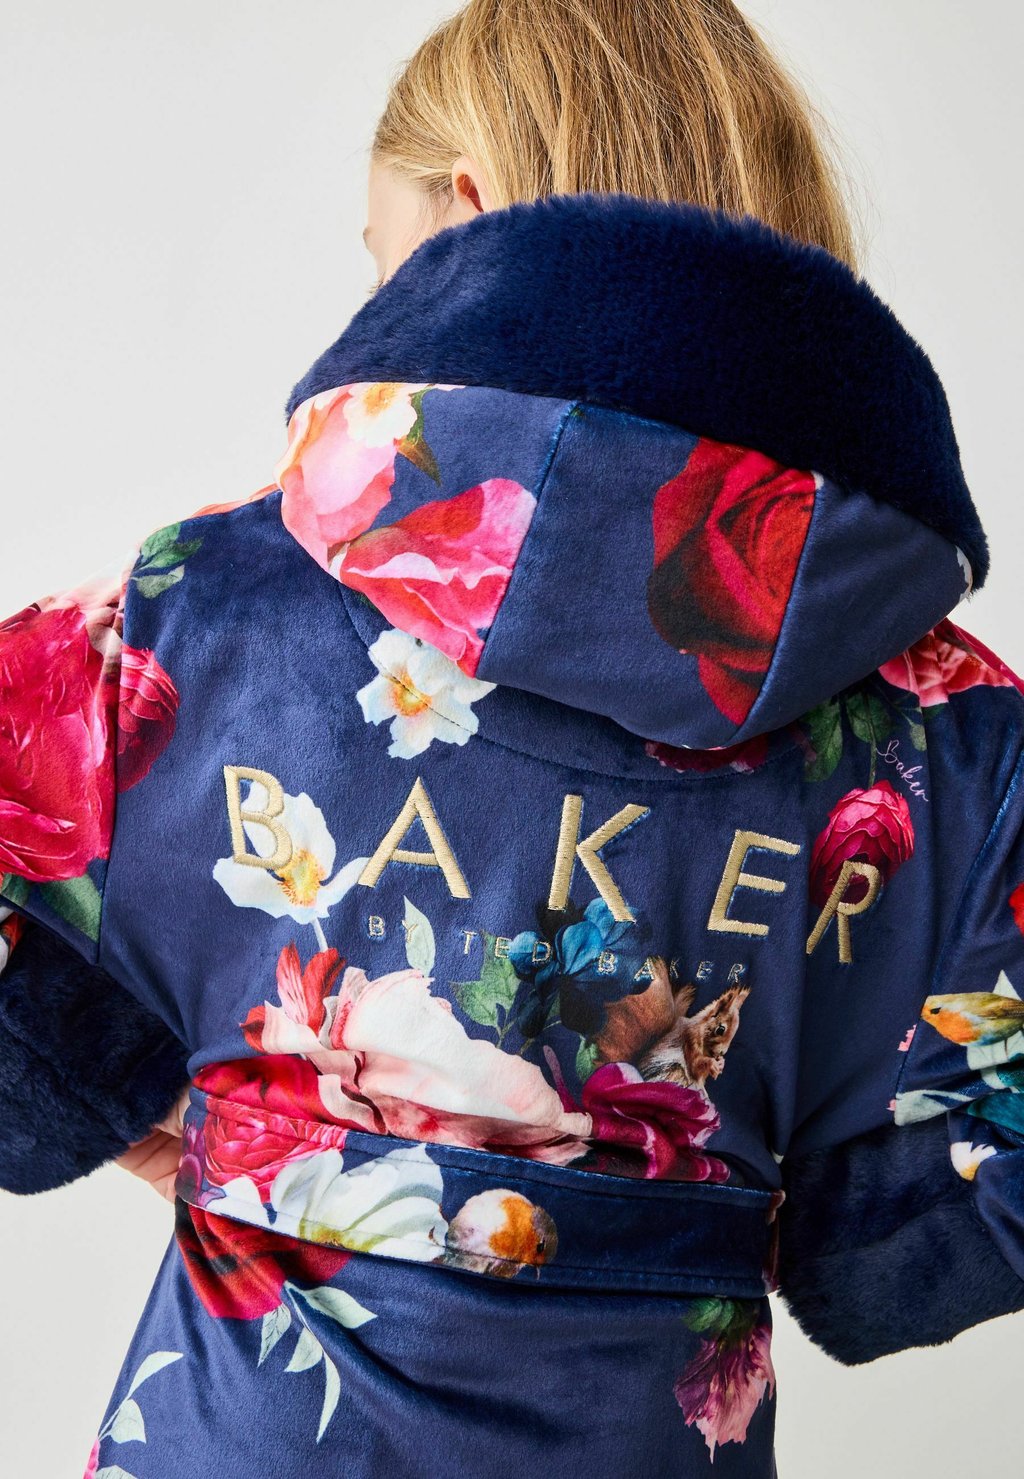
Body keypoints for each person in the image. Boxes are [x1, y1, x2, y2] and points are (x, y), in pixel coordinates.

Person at [2, 2, 1023, 1475]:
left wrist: (145, 1098)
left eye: (379, 257)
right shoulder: (949, 736)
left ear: (465, 219)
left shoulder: (202, 611)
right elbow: (970, 1186)